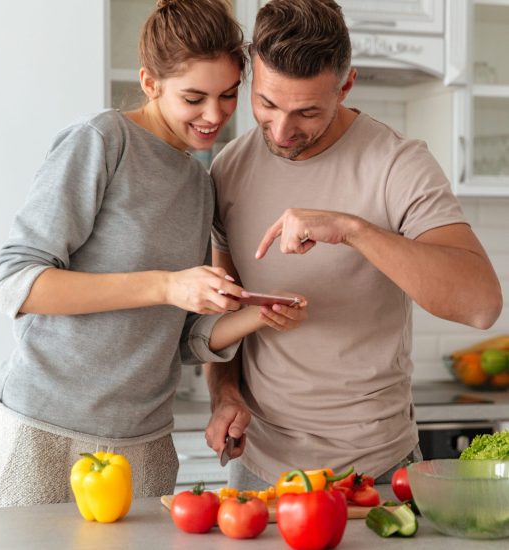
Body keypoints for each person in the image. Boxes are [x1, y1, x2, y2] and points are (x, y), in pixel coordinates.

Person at [0, 0, 306, 508]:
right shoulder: (102, 141)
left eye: (227, 96)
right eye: (194, 97)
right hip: (48, 428)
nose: (214, 115)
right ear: (150, 82)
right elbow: (17, 283)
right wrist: (166, 283)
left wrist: (255, 316)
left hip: (146, 440)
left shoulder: (200, 185)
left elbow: (178, 339)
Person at [204, 0, 503, 490]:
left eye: (307, 111)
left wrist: (353, 230)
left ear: (346, 86)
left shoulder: (398, 165)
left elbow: (481, 305)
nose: (281, 131)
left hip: (377, 466)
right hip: (259, 465)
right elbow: (226, 309)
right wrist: (226, 394)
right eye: (267, 103)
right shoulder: (229, 169)